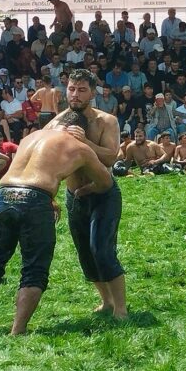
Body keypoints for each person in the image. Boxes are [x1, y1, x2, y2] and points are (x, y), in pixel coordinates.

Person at [0, 111, 112, 335]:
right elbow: (105, 181)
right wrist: (83, 190)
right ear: (79, 130)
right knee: (34, 268)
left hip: (4, 194)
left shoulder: (30, 137)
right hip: (36, 198)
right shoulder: (80, 147)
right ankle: (18, 329)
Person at [44, 69, 126, 319]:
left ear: (92, 93)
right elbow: (42, 152)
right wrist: (49, 194)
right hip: (74, 195)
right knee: (85, 252)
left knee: (101, 248)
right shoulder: (58, 122)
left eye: (81, 90)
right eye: (71, 89)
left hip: (103, 194)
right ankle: (106, 301)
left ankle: (121, 308)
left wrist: (85, 143)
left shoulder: (106, 121)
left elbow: (112, 155)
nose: (75, 95)